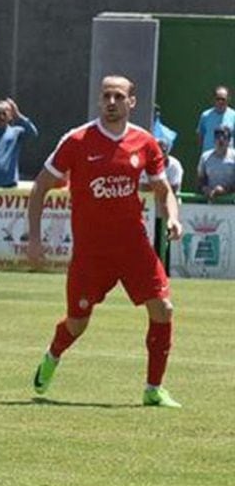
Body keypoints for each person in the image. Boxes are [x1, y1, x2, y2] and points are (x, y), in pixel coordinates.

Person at [27, 75, 183, 408]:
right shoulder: (78, 140)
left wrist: (172, 216)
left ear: (132, 102)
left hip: (133, 247)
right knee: (77, 323)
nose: (111, 102)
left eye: (118, 96)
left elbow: (163, 189)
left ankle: (153, 388)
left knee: (163, 309)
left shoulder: (144, 142)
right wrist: (35, 239)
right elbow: (40, 187)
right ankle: (53, 355)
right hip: (91, 254)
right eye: (106, 96)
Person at [197, 125, 235, 201]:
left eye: (224, 137)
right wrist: (205, 188)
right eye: (218, 137)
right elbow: (200, 179)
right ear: (214, 139)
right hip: (212, 201)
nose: (221, 140)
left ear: (229, 141)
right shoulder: (205, 157)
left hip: (232, 202)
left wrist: (225, 190)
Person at [196, 85, 235, 154]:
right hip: (209, 158)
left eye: (223, 99)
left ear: (228, 99)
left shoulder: (233, 115)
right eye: (218, 99)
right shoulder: (205, 115)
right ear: (214, 99)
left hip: (228, 159)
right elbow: (200, 136)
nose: (220, 101)